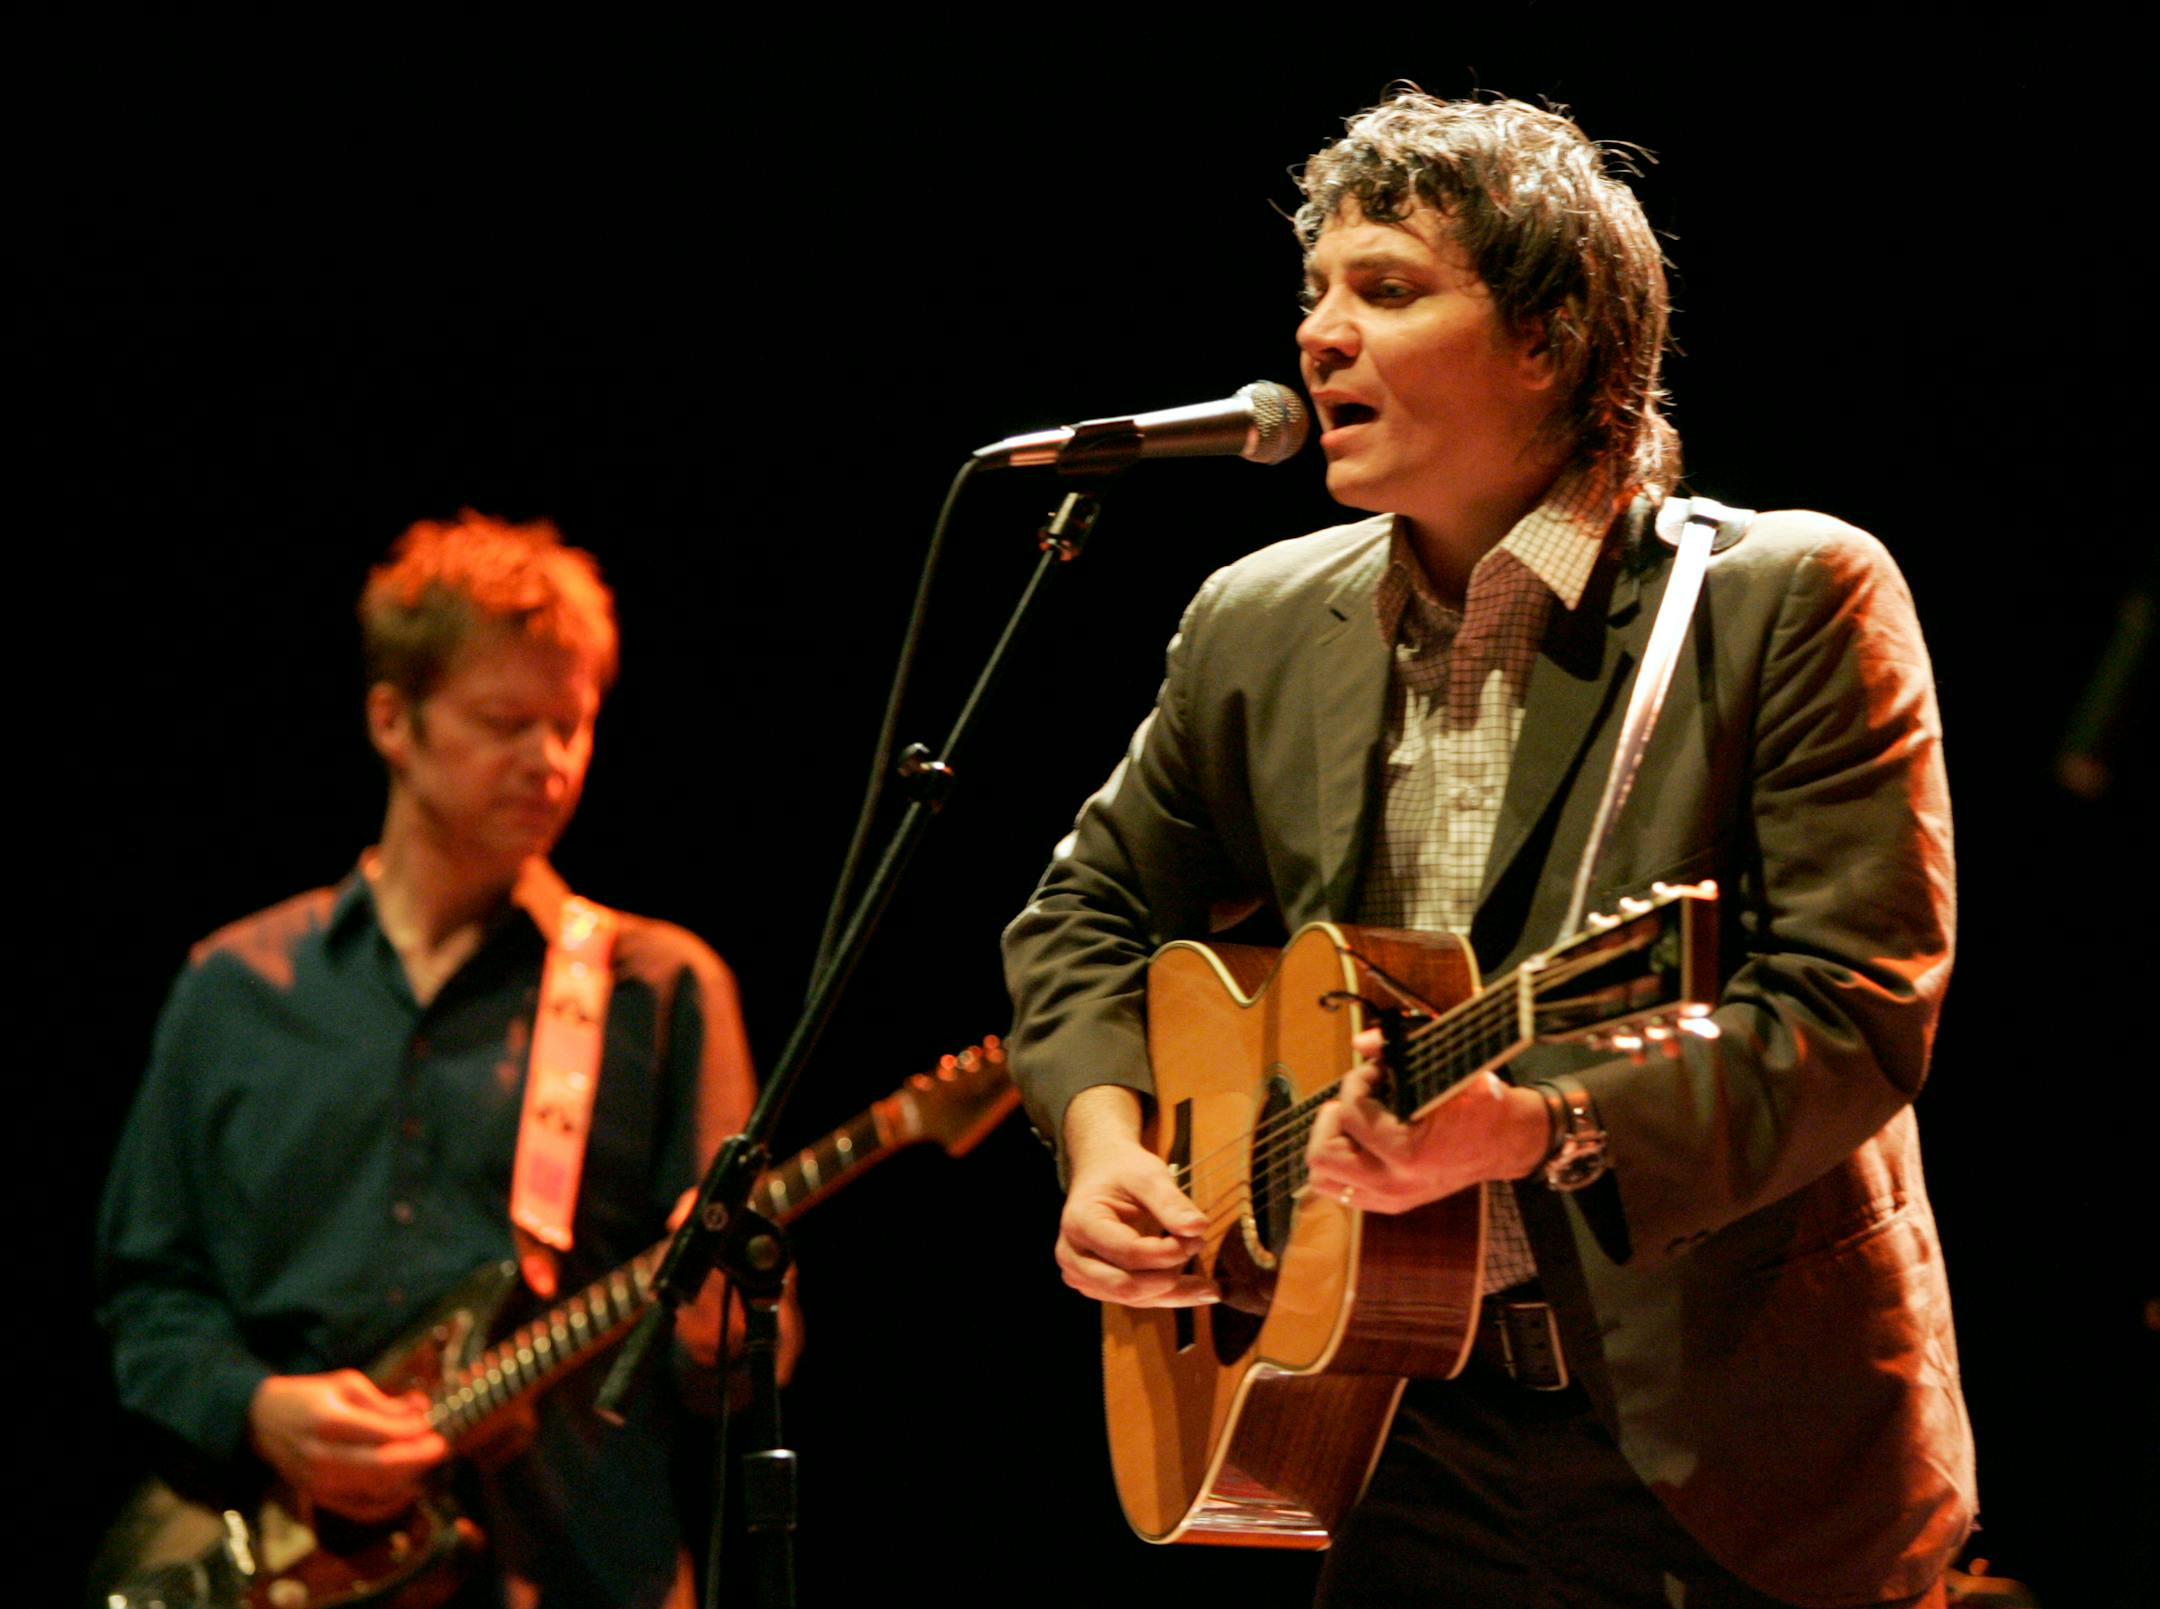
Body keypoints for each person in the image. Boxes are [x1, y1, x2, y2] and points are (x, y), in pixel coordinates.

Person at [1004, 91, 1974, 1607]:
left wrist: (1535, 1127)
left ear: (1552, 337)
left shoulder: (1789, 597)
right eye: (1315, 293)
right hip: (1391, 1431)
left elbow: (1852, 1013)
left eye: (1388, 290)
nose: (1322, 336)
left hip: (1729, 1449)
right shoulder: (1259, 623)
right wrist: (1108, 1140)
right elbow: (1085, 912)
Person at [98, 512, 798, 1609]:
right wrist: (255, 1406)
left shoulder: (658, 987)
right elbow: (147, 1293)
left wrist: (728, 1334)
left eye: (572, 724)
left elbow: (736, 1361)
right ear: (393, 718)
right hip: (278, 1567)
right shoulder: (233, 987)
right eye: (504, 721)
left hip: (573, 1577)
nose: (551, 760)